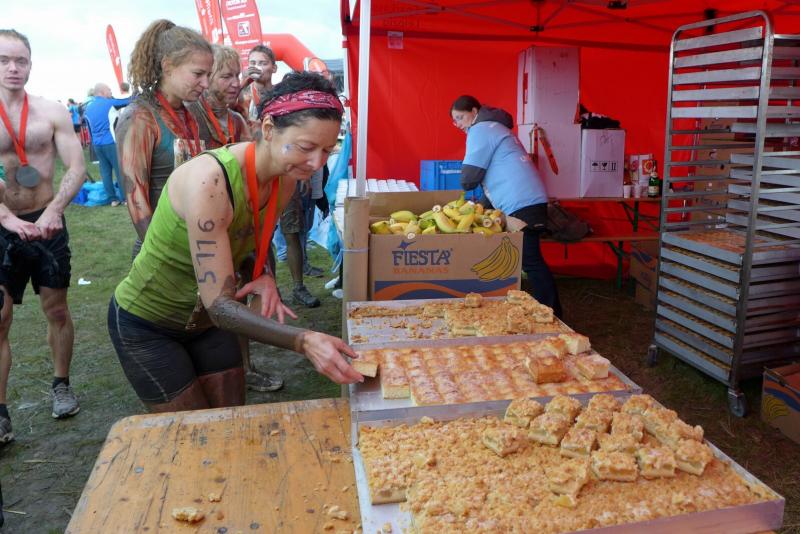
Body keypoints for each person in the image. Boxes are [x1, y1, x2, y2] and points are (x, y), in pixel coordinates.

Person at [107, 71, 362, 412]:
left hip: (208, 326)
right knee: (190, 431)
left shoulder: (286, 177)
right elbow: (220, 306)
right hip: (149, 324)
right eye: (306, 147)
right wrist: (303, 341)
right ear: (268, 129)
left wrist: (264, 273)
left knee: (231, 422)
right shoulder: (210, 181)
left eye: (328, 150)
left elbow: (251, 237)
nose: (317, 163)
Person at [0, 29, 87, 443]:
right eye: (4, 60)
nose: (13, 68)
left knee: (57, 309)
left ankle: (61, 385)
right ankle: (1, 412)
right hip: (2, 225)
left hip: (47, 223)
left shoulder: (52, 111)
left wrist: (54, 210)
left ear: (31, 65)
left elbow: (77, 166)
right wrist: (5, 217)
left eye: (21, 60)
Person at [188, 44, 283, 393]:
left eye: (236, 75)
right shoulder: (192, 118)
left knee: (239, 295)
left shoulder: (238, 119)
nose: (235, 82)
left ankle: (244, 367)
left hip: (240, 223)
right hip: (203, 225)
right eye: (225, 76)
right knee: (208, 302)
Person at [451, 94, 562, 317]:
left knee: (531, 261)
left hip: (522, 202)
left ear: (474, 111)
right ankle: (543, 310)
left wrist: (469, 192)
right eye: (454, 121)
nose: (458, 125)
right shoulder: (496, 128)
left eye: (460, 117)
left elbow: (469, 178)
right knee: (529, 260)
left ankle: (552, 314)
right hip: (528, 199)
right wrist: (479, 208)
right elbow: (498, 174)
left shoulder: (480, 130)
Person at [116, 20, 212, 256]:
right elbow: (136, 198)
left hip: (198, 239)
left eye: (208, 74)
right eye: (198, 74)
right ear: (167, 66)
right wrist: (161, 253)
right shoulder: (140, 117)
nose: (206, 83)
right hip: (162, 249)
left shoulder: (193, 113)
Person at [188, 44, 249, 149]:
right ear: (207, 77)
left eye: (237, 76)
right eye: (226, 76)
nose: (236, 84)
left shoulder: (237, 121)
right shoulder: (189, 115)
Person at [84, 83, 130, 206]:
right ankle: (125, 198)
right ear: (102, 92)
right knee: (119, 170)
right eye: (109, 90)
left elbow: (88, 129)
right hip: (111, 142)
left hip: (97, 145)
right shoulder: (109, 103)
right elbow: (128, 101)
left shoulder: (88, 107)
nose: (111, 92)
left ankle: (112, 199)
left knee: (105, 172)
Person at [241, 44, 277, 128]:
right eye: (252, 63)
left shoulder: (281, 94)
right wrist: (242, 84)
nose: (257, 67)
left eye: (263, 63)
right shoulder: (242, 96)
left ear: (274, 68)